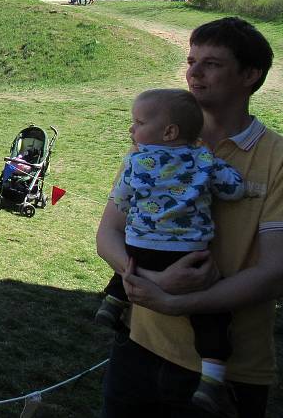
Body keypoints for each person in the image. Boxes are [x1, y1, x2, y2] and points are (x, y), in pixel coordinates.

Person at [97, 17, 281, 418]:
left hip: (229, 372)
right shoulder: (153, 145)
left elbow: (274, 272)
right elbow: (108, 233)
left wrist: (179, 302)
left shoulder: (276, 159)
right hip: (138, 347)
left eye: (211, 64)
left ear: (250, 74)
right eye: (191, 60)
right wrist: (154, 283)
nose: (194, 73)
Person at [96, 88, 245, 414]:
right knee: (211, 318)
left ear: (169, 131)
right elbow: (234, 189)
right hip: (187, 252)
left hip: (141, 245)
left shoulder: (135, 161)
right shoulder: (204, 159)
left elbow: (121, 200)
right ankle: (212, 375)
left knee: (130, 261)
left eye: (138, 122)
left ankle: (114, 300)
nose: (131, 130)